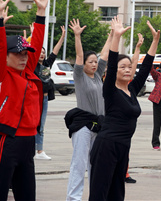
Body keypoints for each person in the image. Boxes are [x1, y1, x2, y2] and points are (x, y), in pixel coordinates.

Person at [88, 17, 159, 201]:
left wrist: (155, 42)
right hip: (106, 145)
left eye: (129, 67)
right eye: (123, 67)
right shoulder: (110, 90)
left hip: (123, 146)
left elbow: (145, 69)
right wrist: (116, 37)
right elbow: (111, 65)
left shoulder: (132, 89)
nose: (128, 70)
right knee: (99, 193)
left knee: (117, 193)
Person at [0, 0, 47, 200]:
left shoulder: (27, 71)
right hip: (7, 141)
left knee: (27, 196)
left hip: (28, 142)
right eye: (18, 54)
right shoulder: (1, 74)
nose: (23, 58)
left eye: (26, 54)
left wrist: (41, 13)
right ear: (7, 57)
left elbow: (37, 43)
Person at [65, 19, 112, 201]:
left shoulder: (99, 75)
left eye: (95, 62)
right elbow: (79, 55)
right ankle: (73, 198)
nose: (94, 64)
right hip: (83, 127)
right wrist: (77, 36)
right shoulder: (80, 76)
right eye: (90, 62)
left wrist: (112, 36)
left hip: (99, 126)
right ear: (83, 64)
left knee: (96, 165)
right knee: (79, 164)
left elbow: (105, 54)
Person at [34, 25, 65, 161]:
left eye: (43, 52)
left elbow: (55, 51)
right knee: (33, 123)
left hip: (44, 100)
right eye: (39, 52)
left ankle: (39, 150)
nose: (42, 54)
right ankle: (33, 149)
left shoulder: (47, 64)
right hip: (34, 99)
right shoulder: (32, 65)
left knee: (41, 124)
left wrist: (62, 38)